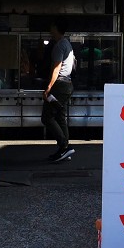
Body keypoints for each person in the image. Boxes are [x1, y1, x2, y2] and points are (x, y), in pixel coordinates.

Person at [42, 18, 75, 163]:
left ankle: (63, 146)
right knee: (60, 116)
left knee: (47, 117)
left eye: (52, 26)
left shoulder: (59, 46)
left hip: (59, 86)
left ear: (56, 27)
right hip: (67, 84)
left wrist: (48, 88)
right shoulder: (66, 43)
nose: (50, 29)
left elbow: (56, 67)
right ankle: (65, 149)